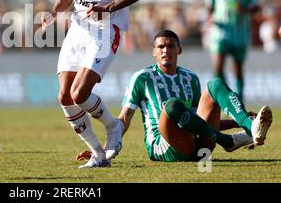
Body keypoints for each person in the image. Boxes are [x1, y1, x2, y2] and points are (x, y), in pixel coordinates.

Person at [41, 0, 151, 168]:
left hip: (106, 28)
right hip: (78, 27)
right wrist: (54, 11)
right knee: (64, 96)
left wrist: (110, 6)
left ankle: (114, 127)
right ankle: (98, 154)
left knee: (80, 94)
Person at [77, 30, 272, 163]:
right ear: (153, 51)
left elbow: (198, 122)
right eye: (161, 47)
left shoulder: (191, 78)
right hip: (163, 144)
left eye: (170, 46)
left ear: (179, 50)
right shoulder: (142, 77)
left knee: (215, 84)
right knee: (172, 106)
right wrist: (102, 151)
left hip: (199, 146)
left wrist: (236, 123)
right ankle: (228, 142)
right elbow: (124, 118)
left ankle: (249, 126)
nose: (165, 51)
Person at [205, 0, 259, 101]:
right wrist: (211, 18)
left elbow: (255, 6)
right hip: (220, 34)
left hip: (239, 34)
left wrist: (244, 9)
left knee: (237, 69)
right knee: (218, 67)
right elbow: (209, 7)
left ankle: (239, 99)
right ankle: (226, 98)